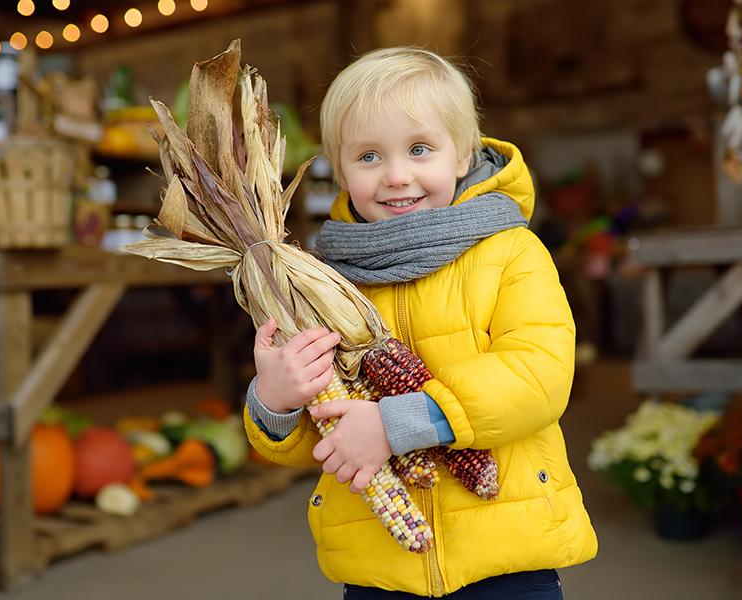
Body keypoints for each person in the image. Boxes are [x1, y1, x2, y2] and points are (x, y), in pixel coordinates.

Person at [244, 46, 597, 599]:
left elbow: (539, 374)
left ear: (462, 154)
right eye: (368, 157)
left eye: (419, 149)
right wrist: (277, 399)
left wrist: (396, 423)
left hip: (505, 558)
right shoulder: (325, 283)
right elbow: (315, 439)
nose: (396, 176)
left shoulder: (509, 252)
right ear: (338, 170)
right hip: (379, 567)